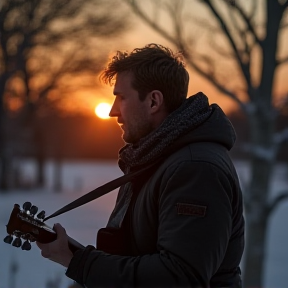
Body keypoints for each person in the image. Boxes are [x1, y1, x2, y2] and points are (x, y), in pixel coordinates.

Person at [37, 43, 245, 288]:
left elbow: (179, 278)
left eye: (121, 97)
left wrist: (83, 264)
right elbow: (133, 254)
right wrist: (72, 258)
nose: (113, 111)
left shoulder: (195, 169)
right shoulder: (152, 158)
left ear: (154, 101)